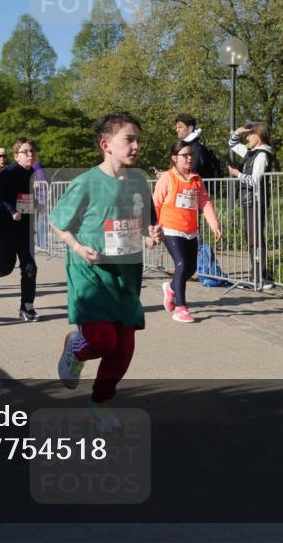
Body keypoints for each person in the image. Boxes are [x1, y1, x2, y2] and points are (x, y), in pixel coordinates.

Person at [50, 113, 163, 430]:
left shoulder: (140, 180)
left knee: (124, 347)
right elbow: (58, 223)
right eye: (129, 139)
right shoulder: (86, 182)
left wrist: (151, 235)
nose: (136, 145)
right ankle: (75, 346)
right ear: (106, 145)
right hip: (91, 273)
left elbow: (145, 225)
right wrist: (76, 247)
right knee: (102, 341)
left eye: (138, 139)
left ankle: (98, 405)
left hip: (125, 276)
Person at [152, 140, 223, 322]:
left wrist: (213, 223)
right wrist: (154, 229)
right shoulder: (167, 178)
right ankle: (181, 307)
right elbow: (155, 204)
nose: (189, 158)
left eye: (191, 155)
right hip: (170, 228)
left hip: (190, 230)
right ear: (175, 158)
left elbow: (205, 202)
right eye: (185, 155)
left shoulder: (196, 179)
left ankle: (171, 289)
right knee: (182, 264)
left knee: (190, 269)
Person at [0, 137, 39, 322]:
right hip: (6, 226)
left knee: (30, 266)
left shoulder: (33, 173)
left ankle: (27, 307)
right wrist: (11, 210)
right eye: (25, 152)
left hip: (25, 227)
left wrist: (38, 205)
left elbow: (26, 197)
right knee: (7, 266)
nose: (30, 155)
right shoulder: (9, 171)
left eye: (32, 152)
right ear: (16, 156)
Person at [227, 122, 276, 291]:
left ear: (258, 135)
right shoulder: (252, 152)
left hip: (256, 200)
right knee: (252, 237)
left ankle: (261, 277)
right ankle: (256, 276)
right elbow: (232, 144)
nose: (247, 137)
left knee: (255, 238)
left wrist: (237, 174)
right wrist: (239, 131)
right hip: (249, 200)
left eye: (249, 134)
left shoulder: (262, 155)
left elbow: (255, 180)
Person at [32, 159, 50, 250]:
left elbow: (42, 181)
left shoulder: (36, 164)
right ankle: (41, 244)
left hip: (41, 195)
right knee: (40, 221)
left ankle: (42, 244)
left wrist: (33, 184)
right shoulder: (35, 165)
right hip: (38, 195)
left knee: (42, 220)